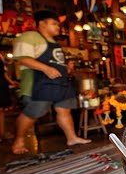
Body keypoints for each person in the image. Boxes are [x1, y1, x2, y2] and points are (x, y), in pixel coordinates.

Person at [11, 10, 91, 155]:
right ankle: (19, 140)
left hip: (59, 83)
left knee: (64, 108)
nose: (57, 27)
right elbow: (22, 58)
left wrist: (66, 68)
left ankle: (72, 138)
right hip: (38, 83)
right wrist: (45, 68)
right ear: (42, 23)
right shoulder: (30, 36)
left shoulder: (54, 43)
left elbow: (54, 61)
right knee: (33, 112)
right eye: (54, 23)